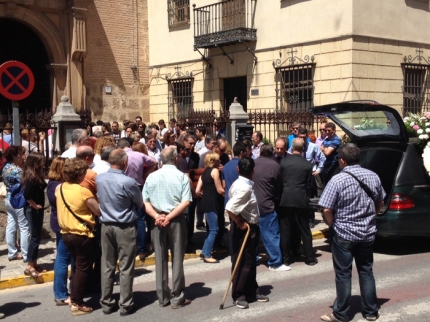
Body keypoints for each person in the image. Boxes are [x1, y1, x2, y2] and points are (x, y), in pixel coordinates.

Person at [319, 143, 385, 322]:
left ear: (342, 160)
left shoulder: (337, 180)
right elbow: (380, 201)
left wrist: (332, 224)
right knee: (366, 271)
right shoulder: (373, 176)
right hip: (367, 233)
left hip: (344, 234)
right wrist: (372, 215)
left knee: (343, 274)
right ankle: (371, 311)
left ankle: (341, 313)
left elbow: (326, 208)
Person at [143, 147, 192, 308]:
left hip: (156, 220)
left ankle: (163, 297)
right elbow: (186, 201)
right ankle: (177, 296)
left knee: (160, 258)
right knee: (177, 257)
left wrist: (158, 217)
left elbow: (146, 201)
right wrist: (169, 217)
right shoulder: (181, 177)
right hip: (176, 219)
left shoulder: (152, 177)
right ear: (176, 159)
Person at [96, 149, 143, 316]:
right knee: (126, 266)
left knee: (107, 265)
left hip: (106, 225)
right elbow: (139, 201)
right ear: (124, 162)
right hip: (124, 226)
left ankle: (107, 302)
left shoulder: (99, 178)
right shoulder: (128, 182)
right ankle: (125, 303)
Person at [57, 158, 100, 316]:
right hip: (82, 233)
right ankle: (77, 301)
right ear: (79, 174)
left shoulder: (60, 188)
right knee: (83, 268)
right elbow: (97, 211)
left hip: (66, 233)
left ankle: (75, 295)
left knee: (77, 266)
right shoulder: (83, 191)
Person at [225, 157, 269, 309]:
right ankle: (239, 294)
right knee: (242, 262)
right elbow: (230, 208)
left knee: (250, 261)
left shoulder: (240, 183)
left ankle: (251, 291)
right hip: (244, 229)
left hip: (250, 228)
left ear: (238, 169)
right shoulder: (244, 187)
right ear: (253, 171)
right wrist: (239, 222)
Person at [278, 138, 317, 266]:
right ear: (303, 149)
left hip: (286, 198)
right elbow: (308, 185)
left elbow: (280, 182)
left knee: (285, 229)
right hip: (301, 198)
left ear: (291, 148)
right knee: (305, 229)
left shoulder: (283, 163)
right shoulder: (307, 165)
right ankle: (310, 257)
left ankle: (286, 258)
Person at [253, 144, 290, 271]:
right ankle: (275, 262)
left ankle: (254, 258)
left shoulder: (253, 163)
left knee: (253, 234)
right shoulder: (275, 166)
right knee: (271, 234)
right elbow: (279, 185)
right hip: (266, 204)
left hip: (252, 204)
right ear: (271, 153)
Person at [47, 157, 72, 306]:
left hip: (59, 223)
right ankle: (61, 294)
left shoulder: (53, 184)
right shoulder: (57, 186)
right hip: (62, 224)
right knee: (63, 258)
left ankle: (62, 292)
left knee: (63, 257)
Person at [195, 153, 225, 263]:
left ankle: (205, 250)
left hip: (205, 202)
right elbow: (219, 189)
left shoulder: (204, 172)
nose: (219, 162)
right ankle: (207, 254)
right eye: (218, 160)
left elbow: (197, 190)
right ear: (213, 161)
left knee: (210, 229)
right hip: (213, 203)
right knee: (214, 230)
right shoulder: (215, 171)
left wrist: (205, 194)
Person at [2, 146, 29, 262]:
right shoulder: (17, 170)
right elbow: (26, 182)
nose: (23, 156)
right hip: (18, 200)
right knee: (24, 227)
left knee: (11, 225)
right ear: (14, 156)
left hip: (8, 199)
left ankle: (12, 252)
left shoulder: (5, 168)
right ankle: (26, 254)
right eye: (21, 154)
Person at [23, 153, 47, 278]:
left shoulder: (36, 174)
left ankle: (34, 262)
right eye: (41, 161)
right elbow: (27, 195)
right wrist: (34, 205)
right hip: (33, 211)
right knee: (35, 238)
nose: (43, 163)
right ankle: (30, 265)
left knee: (37, 237)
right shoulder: (32, 177)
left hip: (37, 210)